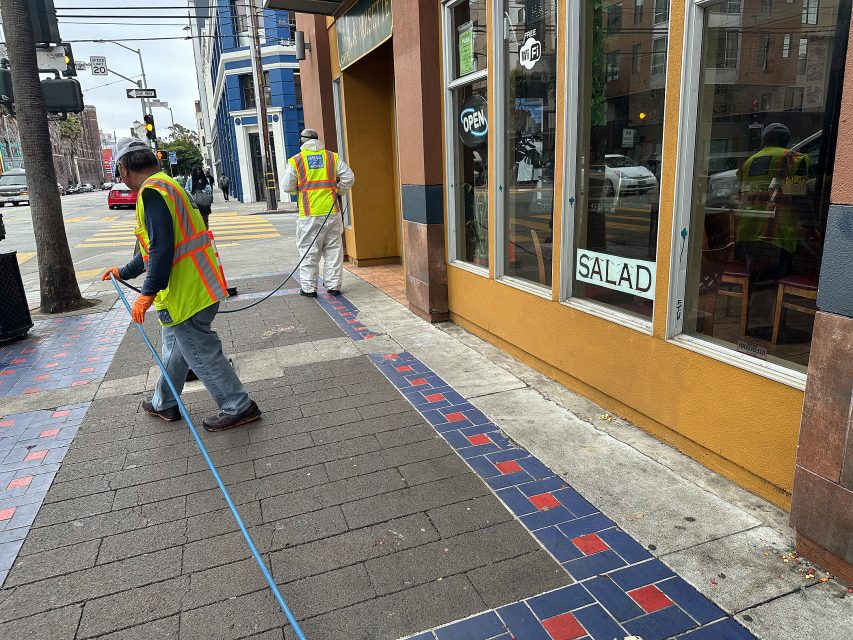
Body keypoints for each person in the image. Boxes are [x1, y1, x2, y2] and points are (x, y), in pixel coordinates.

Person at [101, 138, 261, 432]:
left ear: (123, 169)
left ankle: (238, 406)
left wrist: (146, 294)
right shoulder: (170, 185)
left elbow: (162, 248)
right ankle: (164, 402)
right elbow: (151, 250)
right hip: (199, 284)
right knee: (177, 348)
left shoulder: (152, 193)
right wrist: (124, 271)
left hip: (185, 293)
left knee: (200, 352)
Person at [282, 128, 354, 297]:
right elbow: (349, 177)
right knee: (334, 250)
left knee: (309, 251)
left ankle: (308, 288)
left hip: (309, 214)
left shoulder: (296, 161)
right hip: (332, 212)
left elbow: (287, 186)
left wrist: (297, 191)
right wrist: (339, 191)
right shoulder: (332, 157)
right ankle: (334, 285)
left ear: (302, 142)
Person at [736, 122, 810, 281]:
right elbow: (798, 197)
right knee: (772, 282)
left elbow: (743, 194)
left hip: (747, 230)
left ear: (764, 140)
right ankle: (762, 305)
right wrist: (810, 225)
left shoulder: (748, 162)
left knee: (754, 278)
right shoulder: (792, 159)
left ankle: (751, 305)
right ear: (787, 141)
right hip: (777, 233)